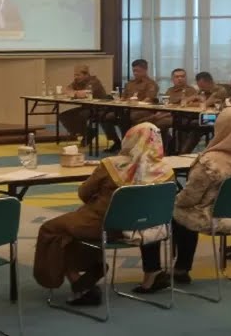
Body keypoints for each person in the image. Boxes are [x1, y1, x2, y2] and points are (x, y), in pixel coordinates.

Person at [33, 123, 173, 305]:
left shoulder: (111, 165)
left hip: (104, 225)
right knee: (72, 226)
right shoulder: (166, 172)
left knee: (51, 229)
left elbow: (84, 193)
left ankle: (79, 282)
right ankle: (103, 269)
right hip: (145, 228)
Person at [138, 108, 231, 285]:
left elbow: (190, 198)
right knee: (184, 214)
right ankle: (181, 268)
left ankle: (155, 272)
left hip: (212, 218)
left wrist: (171, 202)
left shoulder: (209, 163)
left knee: (157, 212)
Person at [102, 59, 159, 152]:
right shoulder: (130, 83)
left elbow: (149, 99)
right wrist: (120, 100)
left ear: (145, 70)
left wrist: (135, 102)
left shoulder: (151, 84)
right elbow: (123, 98)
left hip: (142, 110)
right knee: (106, 117)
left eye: (138, 71)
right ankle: (117, 141)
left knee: (125, 118)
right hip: (126, 109)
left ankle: (127, 145)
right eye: (134, 71)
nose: (135, 73)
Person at [180, 72, 229, 153]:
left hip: (217, 118)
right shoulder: (203, 90)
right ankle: (182, 152)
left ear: (209, 82)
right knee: (185, 122)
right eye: (199, 86)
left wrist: (196, 101)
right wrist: (195, 97)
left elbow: (205, 104)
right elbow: (186, 102)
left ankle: (184, 152)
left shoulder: (220, 90)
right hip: (204, 116)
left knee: (196, 124)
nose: (201, 88)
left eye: (202, 86)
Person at [58, 65, 107, 145]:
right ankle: (87, 132)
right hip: (87, 107)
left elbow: (85, 94)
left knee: (80, 115)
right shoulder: (77, 81)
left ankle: (88, 133)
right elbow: (66, 90)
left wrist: (74, 93)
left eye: (78, 75)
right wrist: (75, 93)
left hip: (99, 108)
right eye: (75, 75)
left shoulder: (94, 82)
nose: (75, 77)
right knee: (63, 116)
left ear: (86, 74)